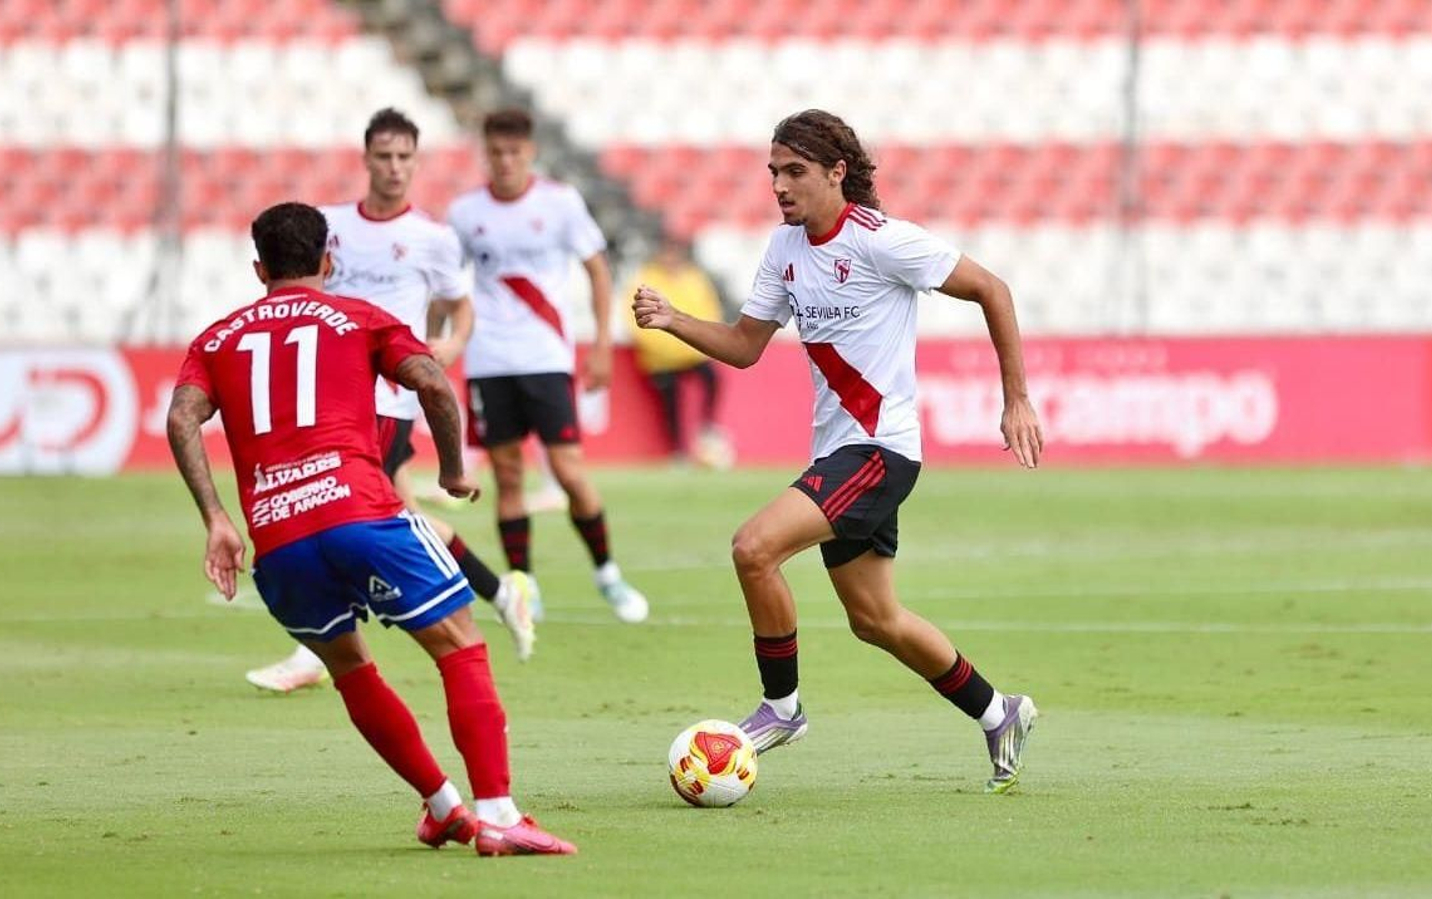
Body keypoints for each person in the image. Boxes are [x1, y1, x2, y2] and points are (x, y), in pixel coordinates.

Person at [633, 110, 1045, 794]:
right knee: (876, 620)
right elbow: (743, 346)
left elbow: (991, 290)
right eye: (773, 172)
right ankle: (999, 711)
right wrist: (675, 320)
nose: (780, 186)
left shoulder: (886, 242)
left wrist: (1017, 399)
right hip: (842, 453)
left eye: (794, 171)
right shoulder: (784, 250)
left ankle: (782, 709)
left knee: (753, 547)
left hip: (880, 450)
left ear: (836, 172)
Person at [167, 201, 575, 855]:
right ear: (330, 259)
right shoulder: (357, 316)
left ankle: (444, 808)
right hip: (362, 515)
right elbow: (433, 385)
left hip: (278, 540)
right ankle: (498, 813)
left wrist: (217, 518)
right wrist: (451, 471)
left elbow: (182, 418)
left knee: (351, 668)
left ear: (258, 267)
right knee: (460, 644)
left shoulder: (217, 339)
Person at [245, 109, 538, 693]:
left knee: (333, 507)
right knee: (392, 513)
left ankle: (313, 650)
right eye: (384, 156)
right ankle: (504, 592)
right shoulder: (329, 228)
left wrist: (449, 347)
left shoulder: (431, 238)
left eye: (405, 157)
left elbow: (460, 306)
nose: (395, 167)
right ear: (367, 159)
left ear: (416, 161)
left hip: (387, 397)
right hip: (335, 393)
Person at [447, 107, 647, 623]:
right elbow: (446, 282)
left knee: (567, 469)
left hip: (545, 356)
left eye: (515, 152)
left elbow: (598, 273)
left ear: (530, 152)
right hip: (488, 358)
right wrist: (434, 342)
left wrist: (602, 344)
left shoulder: (559, 203)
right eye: (496, 153)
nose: (506, 162)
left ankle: (607, 573)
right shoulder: (466, 213)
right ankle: (524, 585)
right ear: (484, 153)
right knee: (508, 475)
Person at [624, 235, 733, 468]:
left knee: (712, 379)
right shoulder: (645, 279)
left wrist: (698, 343)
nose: (671, 258)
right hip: (661, 359)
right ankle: (678, 451)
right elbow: (636, 322)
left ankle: (707, 426)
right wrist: (666, 348)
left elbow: (709, 312)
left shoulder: (694, 278)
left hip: (691, 352)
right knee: (671, 403)